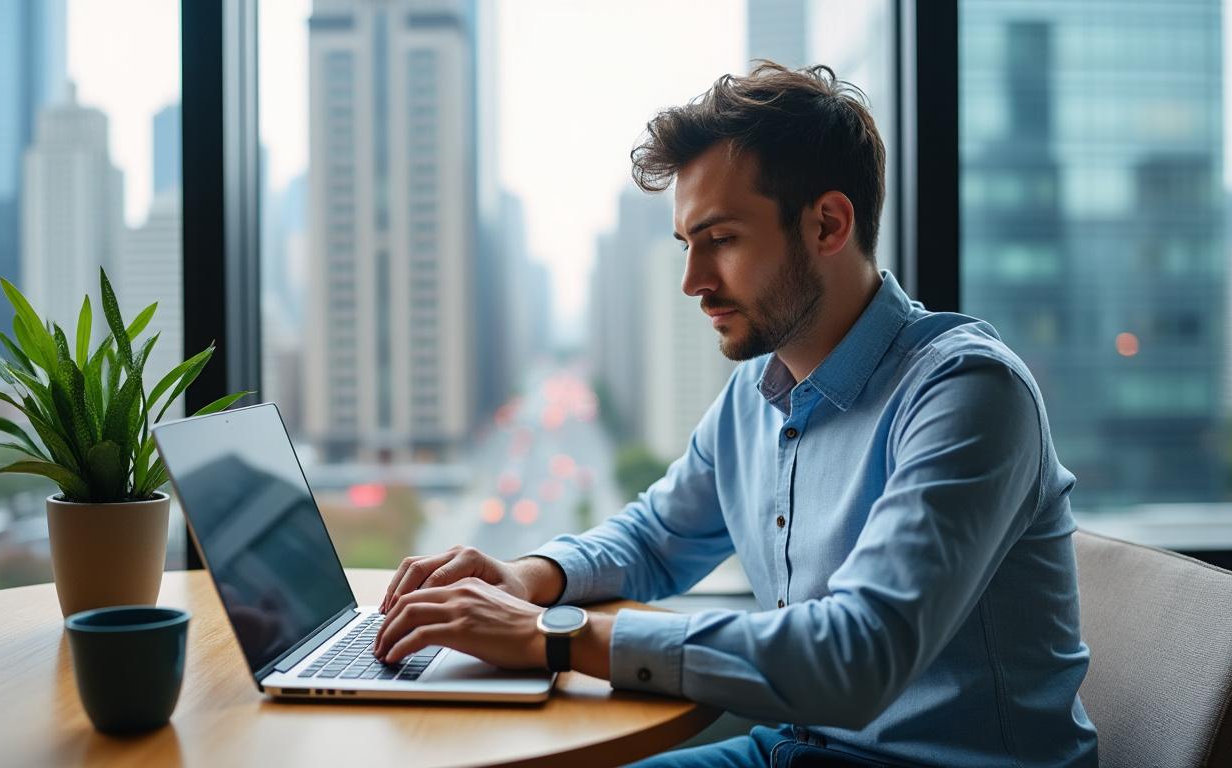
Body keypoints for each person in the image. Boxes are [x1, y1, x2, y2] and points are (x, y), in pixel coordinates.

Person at [372, 62, 1098, 767]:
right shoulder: (757, 389)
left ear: (828, 224)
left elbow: (859, 655)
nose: (693, 281)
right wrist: (529, 576)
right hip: (791, 749)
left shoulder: (967, 391)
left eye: (720, 240)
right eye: (687, 245)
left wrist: (551, 636)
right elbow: (658, 537)